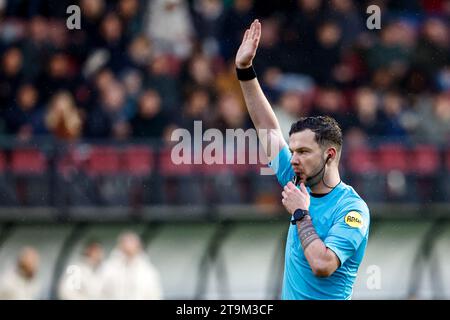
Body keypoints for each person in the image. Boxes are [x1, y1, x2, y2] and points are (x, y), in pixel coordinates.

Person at [235, 19, 370, 300]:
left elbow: (323, 265)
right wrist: (245, 70)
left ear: (330, 154)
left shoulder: (352, 209)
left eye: (304, 152)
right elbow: (266, 127)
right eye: (293, 150)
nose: (293, 159)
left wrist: (301, 214)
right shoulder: (297, 180)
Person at [99, 231, 163, 300]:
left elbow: (155, 294)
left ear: (138, 247)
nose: (129, 247)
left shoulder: (147, 270)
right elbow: (100, 291)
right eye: (126, 243)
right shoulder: (109, 267)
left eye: (132, 243)